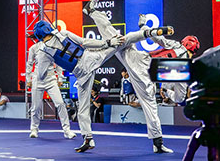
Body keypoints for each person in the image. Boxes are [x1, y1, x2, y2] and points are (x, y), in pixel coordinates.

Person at [29, 18, 171, 153]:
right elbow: (85, 42)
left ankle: (88, 138)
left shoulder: (43, 52)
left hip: (81, 73)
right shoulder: (63, 34)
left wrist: (48, 65)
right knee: (122, 41)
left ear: (39, 36)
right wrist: (107, 43)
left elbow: (40, 75)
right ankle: (150, 32)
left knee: (82, 108)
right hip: (90, 59)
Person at [81, 0, 175, 154]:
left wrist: (151, 29)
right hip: (143, 63)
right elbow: (159, 39)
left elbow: (158, 39)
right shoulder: (177, 47)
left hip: (145, 71)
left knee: (120, 39)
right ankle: (158, 144)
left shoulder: (181, 55)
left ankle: (158, 143)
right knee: (121, 39)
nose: (190, 51)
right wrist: (146, 26)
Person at [25, 33, 75, 139]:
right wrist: (28, 79)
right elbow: (29, 64)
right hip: (37, 80)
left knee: (60, 103)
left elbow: (59, 63)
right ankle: (34, 129)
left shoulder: (54, 47)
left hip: (51, 80)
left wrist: (60, 78)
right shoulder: (34, 48)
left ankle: (67, 131)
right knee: (36, 107)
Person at [149, 34, 201, 105]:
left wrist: (148, 32)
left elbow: (160, 40)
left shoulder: (177, 46)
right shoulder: (186, 66)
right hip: (157, 70)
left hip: (152, 66)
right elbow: (179, 98)